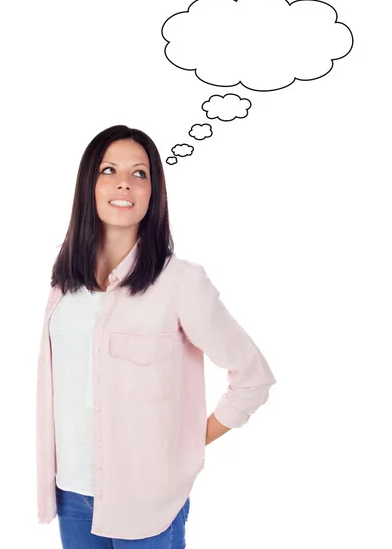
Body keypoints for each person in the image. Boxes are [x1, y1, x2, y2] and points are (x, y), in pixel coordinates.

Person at [36, 124, 277, 547]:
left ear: (153, 192)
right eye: (108, 170)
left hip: (150, 500)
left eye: (140, 173)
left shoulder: (180, 282)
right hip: (70, 492)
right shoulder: (63, 285)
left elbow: (252, 377)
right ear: (88, 185)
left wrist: (185, 445)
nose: (124, 183)